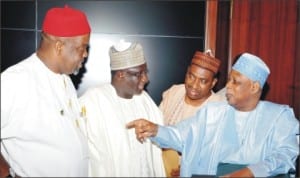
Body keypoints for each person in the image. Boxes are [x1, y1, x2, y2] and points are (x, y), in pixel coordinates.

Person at [127, 52, 300, 177]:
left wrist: (250, 173)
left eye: (236, 81)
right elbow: (181, 134)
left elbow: (285, 155)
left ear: (254, 87)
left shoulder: (279, 117)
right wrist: (155, 130)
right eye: (229, 79)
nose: (229, 86)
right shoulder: (213, 113)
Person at [0, 5, 91, 177]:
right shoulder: (16, 80)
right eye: (82, 47)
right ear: (59, 47)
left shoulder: (65, 81)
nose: (85, 54)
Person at [79, 40, 166, 177]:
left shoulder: (145, 101)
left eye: (145, 72)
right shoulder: (93, 101)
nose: (146, 79)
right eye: (139, 73)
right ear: (121, 74)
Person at [159, 50, 225, 177]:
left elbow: (221, 154)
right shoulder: (173, 93)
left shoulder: (220, 108)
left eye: (203, 81)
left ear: (213, 83)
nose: (194, 85)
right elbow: (156, 127)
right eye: (191, 76)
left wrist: (193, 169)